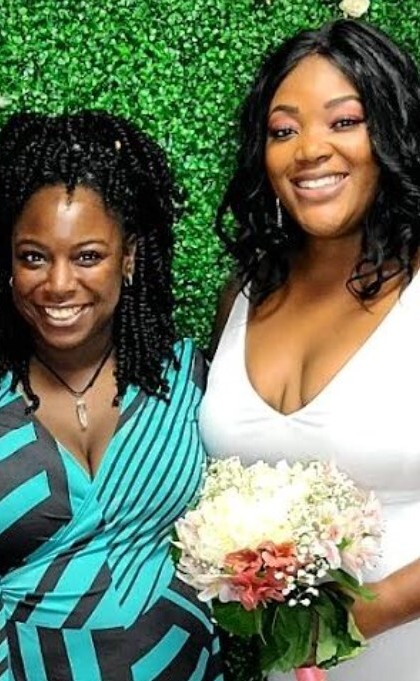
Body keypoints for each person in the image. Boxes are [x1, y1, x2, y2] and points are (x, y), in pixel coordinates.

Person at [0, 111, 223, 681]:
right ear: (7, 264)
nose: (59, 284)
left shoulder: (192, 380)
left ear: (129, 259)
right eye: (34, 257)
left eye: (88, 256)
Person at [200, 18, 420, 681]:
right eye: (282, 130)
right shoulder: (241, 295)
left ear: (393, 133)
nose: (308, 150)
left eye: (343, 121)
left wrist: (351, 619)